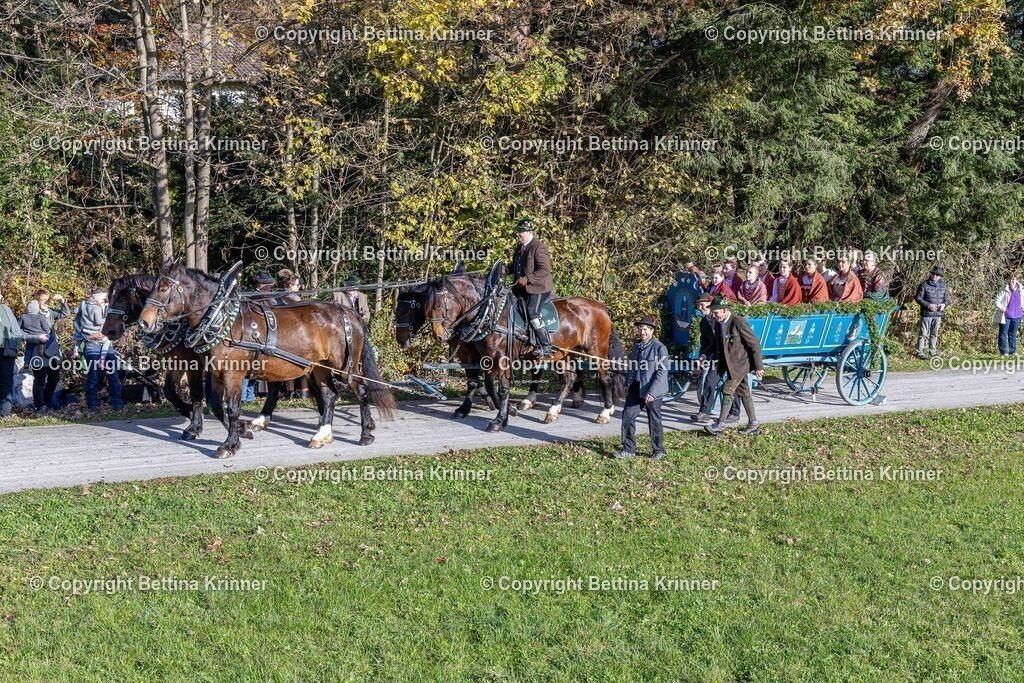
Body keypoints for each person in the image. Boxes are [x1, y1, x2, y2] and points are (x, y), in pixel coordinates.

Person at [705, 296, 763, 436]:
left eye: (716, 312)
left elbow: (754, 343)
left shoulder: (738, 322)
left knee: (727, 389)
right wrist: (703, 356)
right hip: (730, 365)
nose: (714, 315)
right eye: (712, 312)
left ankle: (720, 424)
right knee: (744, 392)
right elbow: (715, 343)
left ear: (724, 310)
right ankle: (754, 424)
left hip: (741, 365)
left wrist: (758, 366)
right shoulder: (719, 323)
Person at [614, 316, 668, 460]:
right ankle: (628, 449)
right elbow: (632, 367)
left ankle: (659, 450)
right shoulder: (636, 346)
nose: (642, 332)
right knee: (627, 416)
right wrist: (626, 384)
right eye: (640, 329)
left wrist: (653, 392)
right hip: (636, 387)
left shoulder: (659, 348)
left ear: (651, 331)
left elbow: (662, 372)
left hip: (652, 389)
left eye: (645, 329)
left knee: (654, 420)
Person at [692, 293, 740, 425]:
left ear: (710, 304)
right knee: (709, 382)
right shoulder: (703, 322)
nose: (700, 308)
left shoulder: (720, 319)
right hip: (717, 357)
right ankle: (704, 413)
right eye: (698, 306)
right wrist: (701, 360)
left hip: (730, 357)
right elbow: (706, 343)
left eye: (702, 305)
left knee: (731, 385)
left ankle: (735, 412)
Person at [509, 217, 555, 357]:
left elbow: (545, 270)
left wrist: (528, 279)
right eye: (518, 232)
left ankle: (546, 346)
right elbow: (515, 266)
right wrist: (502, 270)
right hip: (522, 288)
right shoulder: (520, 247)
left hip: (539, 288)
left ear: (529, 232)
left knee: (532, 312)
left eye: (521, 232)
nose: (518, 235)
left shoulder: (538, 247)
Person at [19, 288, 69, 413]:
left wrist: (63, 301)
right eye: (42, 300)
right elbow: (19, 333)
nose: (45, 302)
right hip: (37, 350)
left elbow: (65, 313)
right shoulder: (29, 314)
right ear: (37, 301)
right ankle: (39, 406)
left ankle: (46, 401)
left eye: (47, 300)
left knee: (54, 379)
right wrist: (36, 338)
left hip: (52, 350)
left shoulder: (50, 312)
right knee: (40, 380)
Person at [75, 287, 123, 412]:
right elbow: (95, 321)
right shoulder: (90, 306)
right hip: (92, 344)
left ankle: (116, 404)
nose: (104, 299)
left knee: (112, 374)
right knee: (94, 375)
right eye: (103, 297)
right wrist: (83, 334)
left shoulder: (92, 305)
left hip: (105, 343)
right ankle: (93, 405)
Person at [915, 265, 950, 359]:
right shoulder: (924, 284)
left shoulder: (943, 286)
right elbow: (918, 298)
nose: (934, 275)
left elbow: (947, 299)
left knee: (934, 334)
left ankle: (933, 351)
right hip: (927, 314)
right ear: (931, 274)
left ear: (940, 276)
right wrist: (928, 305)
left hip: (938, 314)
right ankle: (919, 352)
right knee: (923, 333)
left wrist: (944, 305)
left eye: (937, 274)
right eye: (933, 273)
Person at [0, 291, 26, 418]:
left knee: (6, 382)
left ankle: (5, 413)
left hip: (6, 349)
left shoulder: (5, 309)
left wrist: (14, 345)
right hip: (7, 349)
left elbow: (17, 331)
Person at [994, 273, 1022, 356]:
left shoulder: (1021, 290)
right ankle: (1003, 352)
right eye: (1011, 279)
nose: (1012, 281)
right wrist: (1003, 308)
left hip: (1017, 315)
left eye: (1014, 279)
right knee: (1003, 333)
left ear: (1017, 280)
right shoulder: (1004, 290)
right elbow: (996, 301)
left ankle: (1013, 351)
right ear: (1008, 280)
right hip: (1006, 315)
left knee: (1013, 333)